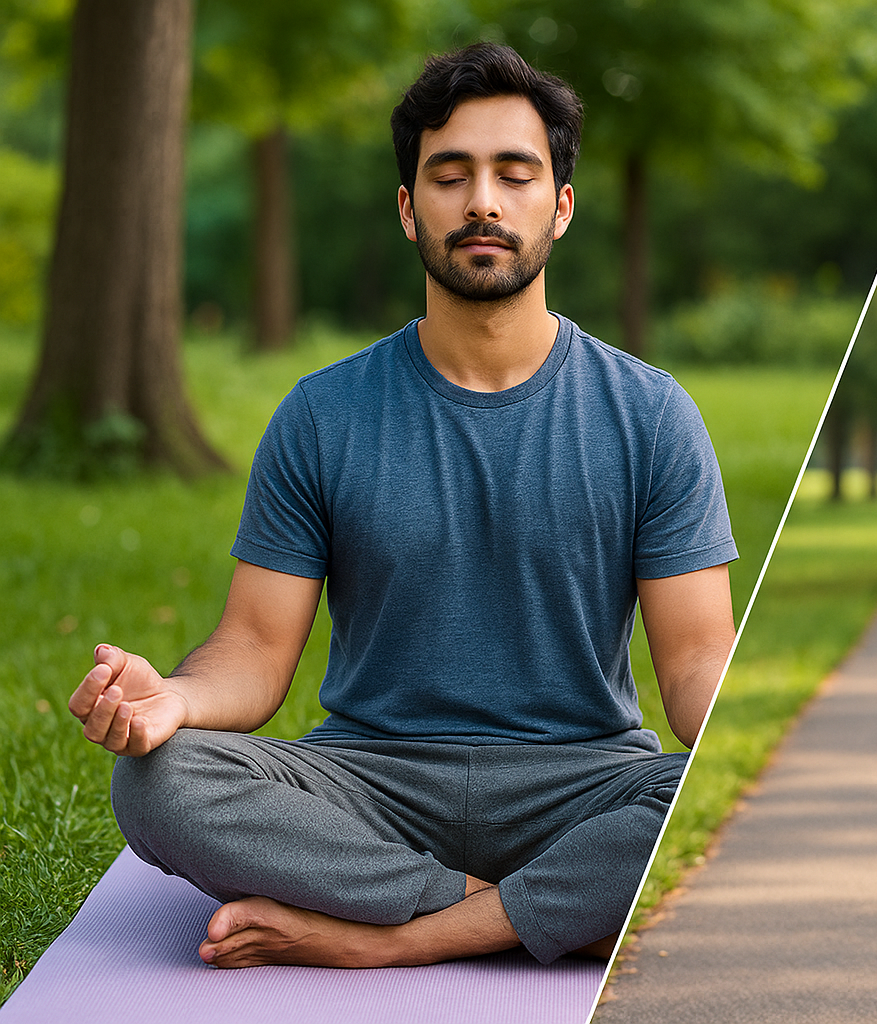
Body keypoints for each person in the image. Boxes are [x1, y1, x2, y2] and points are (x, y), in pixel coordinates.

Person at [67, 43, 738, 971]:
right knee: (162, 780)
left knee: (714, 805)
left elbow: (699, 657)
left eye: (515, 173)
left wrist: (771, 768)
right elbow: (257, 653)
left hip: (581, 785)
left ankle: (385, 937)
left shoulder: (651, 414)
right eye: (449, 175)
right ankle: (523, 915)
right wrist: (171, 699)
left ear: (562, 206)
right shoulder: (322, 414)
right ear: (408, 209)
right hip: (369, 784)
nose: (483, 203)